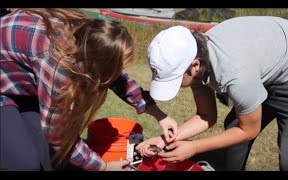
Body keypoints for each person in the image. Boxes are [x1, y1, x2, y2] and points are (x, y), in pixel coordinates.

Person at [0, 8, 178, 171]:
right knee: (25, 163)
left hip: (22, 81)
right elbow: (57, 134)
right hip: (3, 87)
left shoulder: (89, 39)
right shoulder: (56, 64)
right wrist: (104, 167)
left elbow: (119, 80)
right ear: (98, 65)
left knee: (49, 157)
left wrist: (159, 115)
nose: (119, 74)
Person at [137, 16, 288, 171]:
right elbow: (206, 115)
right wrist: (163, 140)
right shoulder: (196, 55)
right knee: (233, 134)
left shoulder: (235, 74)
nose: (176, 86)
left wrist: (194, 147)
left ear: (195, 65)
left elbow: (249, 130)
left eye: (176, 79)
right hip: (267, 66)